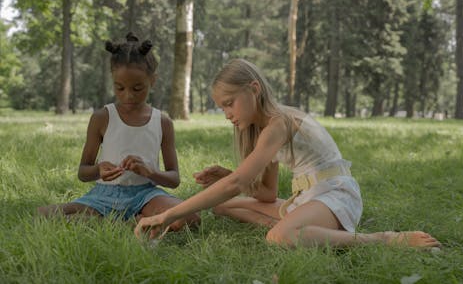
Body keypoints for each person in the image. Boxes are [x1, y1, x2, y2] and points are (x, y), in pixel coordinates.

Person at [135, 59, 440, 248]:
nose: (227, 113)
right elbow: (266, 194)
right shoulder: (263, 130)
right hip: (308, 199)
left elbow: (238, 185)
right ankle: (302, 230)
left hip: (336, 196)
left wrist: (168, 214)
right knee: (222, 208)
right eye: (222, 107)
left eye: (229, 103)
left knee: (277, 238)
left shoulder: (279, 123)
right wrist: (231, 176)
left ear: (254, 89)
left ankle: (382, 240)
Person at [38, 32, 200, 231]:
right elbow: (83, 172)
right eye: (120, 88)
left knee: (190, 218)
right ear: (113, 81)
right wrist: (99, 170)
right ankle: (129, 223)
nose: (128, 95)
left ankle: (115, 223)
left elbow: (174, 179)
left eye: (138, 88)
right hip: (105, 195)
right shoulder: (102, 117)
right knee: (43, 214)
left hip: (146, 197)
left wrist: (151, 172)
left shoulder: (163, 122)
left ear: (153, 80)